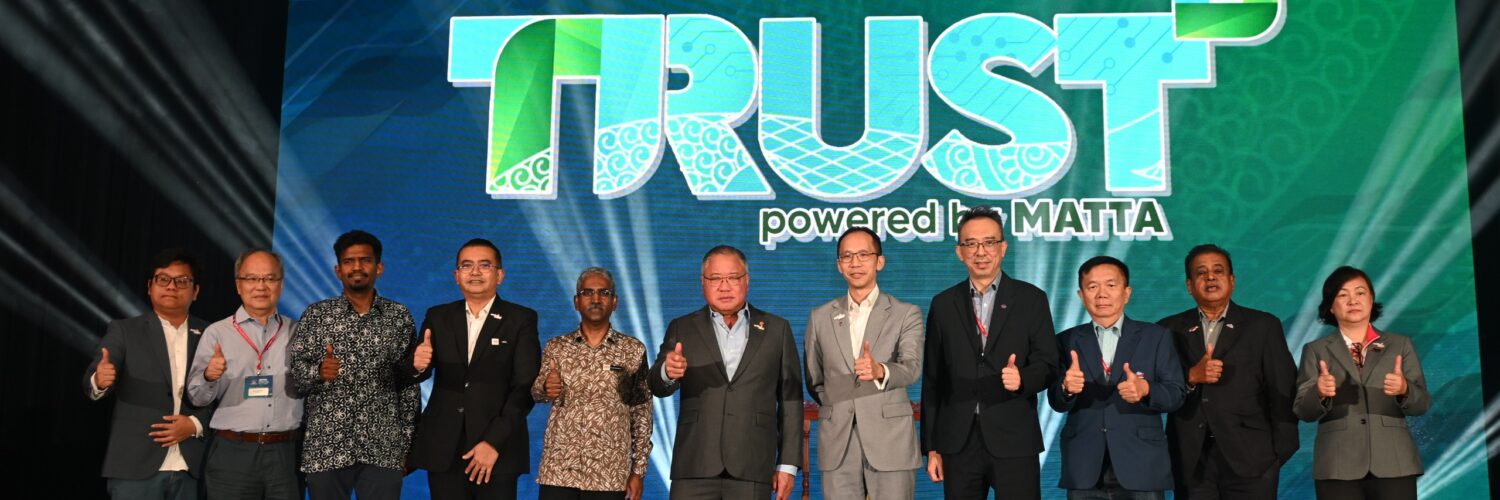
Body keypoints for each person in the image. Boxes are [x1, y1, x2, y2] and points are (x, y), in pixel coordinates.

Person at [920, 206, 1058, 499]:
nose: (980, 251)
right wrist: (932, 447)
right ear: (960, 252)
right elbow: (933, 380)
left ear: (1003, 247)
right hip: (958, 441)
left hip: (1014, 437)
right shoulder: (943, 304)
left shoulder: (1031, 299)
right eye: (971, 243)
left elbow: (1048, 364)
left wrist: (1022, 379)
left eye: (989, 242)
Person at [649, 245, 803, 500]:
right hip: (695, 464)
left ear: (747, 280)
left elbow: (791, 401)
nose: (724, 286)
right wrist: (668, 371)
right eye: (715, 278)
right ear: (703, 282)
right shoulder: (682, 327)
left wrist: (787, 465)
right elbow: (656, 384)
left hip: (752, 465)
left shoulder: (777, 329)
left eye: (733, 278)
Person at [402, 238, 541, 500]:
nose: (475, 272)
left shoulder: (520, 318)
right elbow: (417, 372)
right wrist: (416, 365)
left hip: (497, 449)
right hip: (444, 446)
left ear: (499, 275)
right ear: (456, 276)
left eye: (484, 265)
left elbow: (525, 387)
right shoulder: (438, 316)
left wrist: (493, 441)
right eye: (466, 266)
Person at [289, 230, 422, 500]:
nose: (357, 267)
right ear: (338, 270)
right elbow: (297, 378)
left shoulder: (399, 317)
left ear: (379, 268)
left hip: (383, 446)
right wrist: (318, 372)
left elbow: (408, 386)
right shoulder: (317, 314)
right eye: (349, 261)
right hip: (327, 445)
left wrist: (407, 443)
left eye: (365, 260)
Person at [1158, 244, 1298, 499]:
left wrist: (1276, 454)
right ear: (1189, 285)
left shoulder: (1263, 326)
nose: (1210, 277)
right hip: (1192, 463)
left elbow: (1283, 391)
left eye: (1218, 271)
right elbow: (1157, 391)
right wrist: (1191, 377)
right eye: (1201, 273)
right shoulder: (1167, 330)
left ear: (1232, 281)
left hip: (1253, 460)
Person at [1048, 256, 1185, 499]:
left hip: (1141, 465)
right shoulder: (1066, 340)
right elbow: (1056, 401)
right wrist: (1066, 388)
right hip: (1084, 467)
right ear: (1081, 295)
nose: (1102, 294)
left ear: (1126, 293)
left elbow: (1176, 394)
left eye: (1111, 285)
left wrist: (1146, 390)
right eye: (1092, 286)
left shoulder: (1156, 336)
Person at [804, 227, 923, 499]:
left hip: (890, 441)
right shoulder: (819, 317)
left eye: (863, 255)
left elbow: (912, 367)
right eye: (847, 256)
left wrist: (880, 370)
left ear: (879, 261)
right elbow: (815, 380)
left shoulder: (906, 313)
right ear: (839, 265)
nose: (855, 263)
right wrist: (838, 404)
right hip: (838, 443)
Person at [85, 248, 213, 499]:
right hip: (135, 467)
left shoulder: (212, 334)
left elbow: (224, 395)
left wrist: (195, 424)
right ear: (149, 286)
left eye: (182, 281)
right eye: (163, 279)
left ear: (195, 291)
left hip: (194, 467)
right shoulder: (124, 330)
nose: (172, 286)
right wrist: (99, 380)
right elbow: (94, 377)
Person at [1294, 266, 1429, 500]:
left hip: (1394, 462)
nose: (1353, 300)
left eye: (1360, 292)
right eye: (1342, 294)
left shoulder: (1400, 345)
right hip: (1337, 464)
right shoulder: (1315, 350)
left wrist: (1404, 389)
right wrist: (1319, 393)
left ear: (1371, 299)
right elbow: (1302, 410)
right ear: (1331, 307)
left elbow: (1422, 404)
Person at [186, 248, 302, 499]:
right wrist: (209, 377)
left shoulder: (299, 332)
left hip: (285, 454)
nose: (261, 286)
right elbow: (197, 398)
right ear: (238, 285)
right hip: (233, 454)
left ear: (281, 284)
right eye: (251, 278)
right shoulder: (217, 333)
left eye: (269, 278)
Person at [532, 267, 651, 500]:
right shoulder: (557, 347)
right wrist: (545, 388)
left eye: (603, 293)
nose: (595, 299)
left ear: (614, 302)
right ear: (576, 302)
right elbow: (537, 392)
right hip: (559, 471)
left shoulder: (632, 350)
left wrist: (638, 471)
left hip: (610, 475)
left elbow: (642, 413)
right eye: (587, 292)